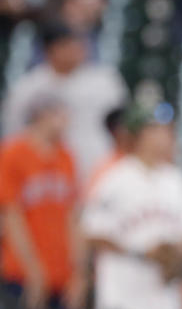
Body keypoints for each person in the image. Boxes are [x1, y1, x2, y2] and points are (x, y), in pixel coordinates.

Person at [81, 103, 182, 309]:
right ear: (138, 135)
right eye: (157, 130)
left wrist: (177, 257)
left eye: (168, 131)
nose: (166, 137)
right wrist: (141, 252)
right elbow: (92, 232)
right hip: (124, 307)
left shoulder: (177, 180)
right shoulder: (114, 178)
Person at [0, 92, 84, 309]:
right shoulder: (13, 153)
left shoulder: (66, 156)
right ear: (40, 116)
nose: (65, 120)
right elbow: (11, 217)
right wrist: (33, 270)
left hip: (60, 271)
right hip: (22, 270)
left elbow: (73, 217)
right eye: (59, 113)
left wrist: (78, 272)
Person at [2, 20, 127, 185]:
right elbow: (13, 131)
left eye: (80, 44)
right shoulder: (30, 87)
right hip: (47, 176)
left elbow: (122, 127)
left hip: (97, 165)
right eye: (69, 45)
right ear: (50, 49)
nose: (77, 50)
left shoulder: (105, 81)